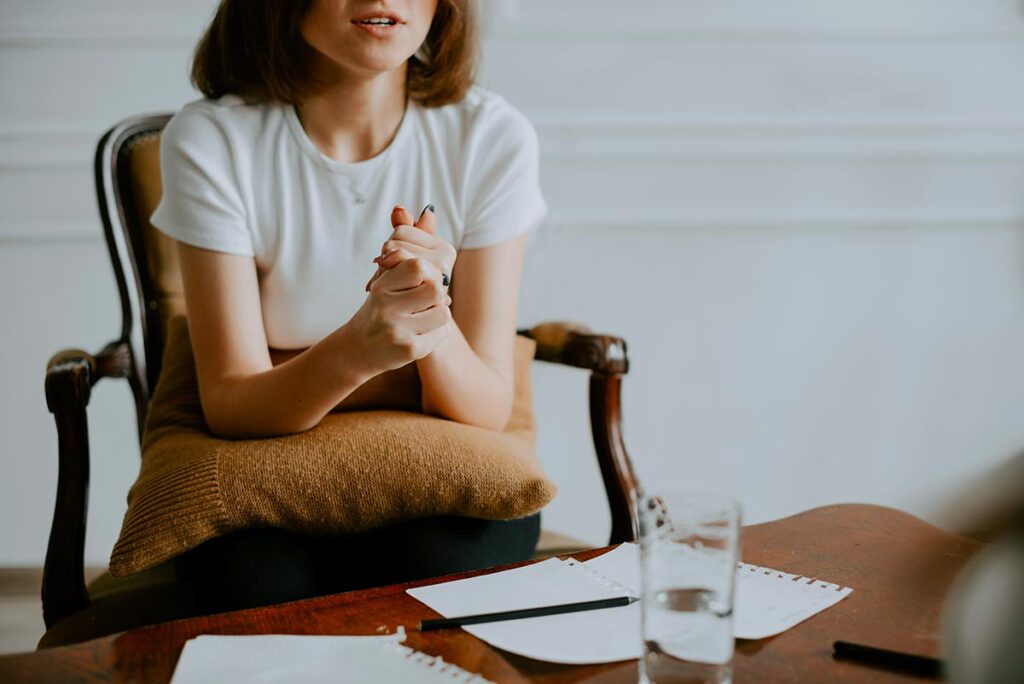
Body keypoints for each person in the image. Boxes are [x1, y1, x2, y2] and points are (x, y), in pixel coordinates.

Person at [152, 0, 547, 612]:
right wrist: (360, 347)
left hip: (439, 456)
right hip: (264, 464)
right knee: (255, 587)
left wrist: (429, 317)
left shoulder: (491, 137)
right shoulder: (213, 139)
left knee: (443, 568)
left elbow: (487, 407)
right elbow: (231, 402)